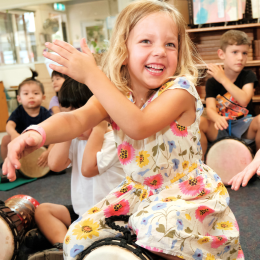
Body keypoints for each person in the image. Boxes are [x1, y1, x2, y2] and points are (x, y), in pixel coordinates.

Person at [3, 1, 244, 259]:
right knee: (78, 235)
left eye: (170, 44)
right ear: (123, 49)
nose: (160, 51)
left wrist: (93, 76)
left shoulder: (180, 90)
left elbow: (138, 125)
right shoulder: (117, 95)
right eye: (146, 42)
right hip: (139, 192)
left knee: (156, 230)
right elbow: (74, 120)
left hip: (184, 192)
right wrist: (35, 133)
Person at [25, 78, 125, 260]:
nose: (73, 119)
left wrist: (98, 129)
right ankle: (62, 246)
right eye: (67, 112)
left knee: (95, 238)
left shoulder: (114, 140)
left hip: (109, 216)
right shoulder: (76, 139)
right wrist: (67, 133)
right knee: (43, 211)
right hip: (83, 212)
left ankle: (73, 248)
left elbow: (88, 169)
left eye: (78, 113)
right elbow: (55, 165)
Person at [199, 30, 259, 159]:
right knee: (199, 121)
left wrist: (223, 79)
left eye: (244, 53)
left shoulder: (248, 76)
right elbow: (210, 108)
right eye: (235, 52)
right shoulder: (212, 82)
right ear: (221, 54)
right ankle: (202, 166)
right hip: (221, 126)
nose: (240, 58)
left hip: (245, 126)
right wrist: (216, 118)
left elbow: (244, 100)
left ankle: (257, 164)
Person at [0, 69, 52, 168]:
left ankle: (50, 161)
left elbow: (54, 129)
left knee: (56, 139)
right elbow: (9, 125)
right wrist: (14, 134)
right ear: (19, 99)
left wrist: (49, 151)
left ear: (43, 97)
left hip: (40, 141)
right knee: (6, 139)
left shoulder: (44, 112)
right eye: (26, 94)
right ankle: (7, 165)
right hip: (21, 141)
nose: (31, 96)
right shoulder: (19, 111)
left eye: (36, 93)